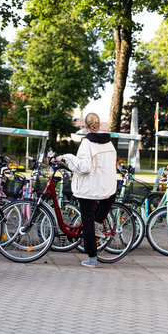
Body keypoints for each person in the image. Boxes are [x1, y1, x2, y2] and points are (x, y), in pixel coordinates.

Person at [56, 113, 117, 268]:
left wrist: (67, 157)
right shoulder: (109, 143)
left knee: (87, 222)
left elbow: (83, 167)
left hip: (89, 188)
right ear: (99, 125)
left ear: (85, 126)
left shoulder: (87, 143)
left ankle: (92, 258)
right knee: (99, 211)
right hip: (106, 186)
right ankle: (98, 222)